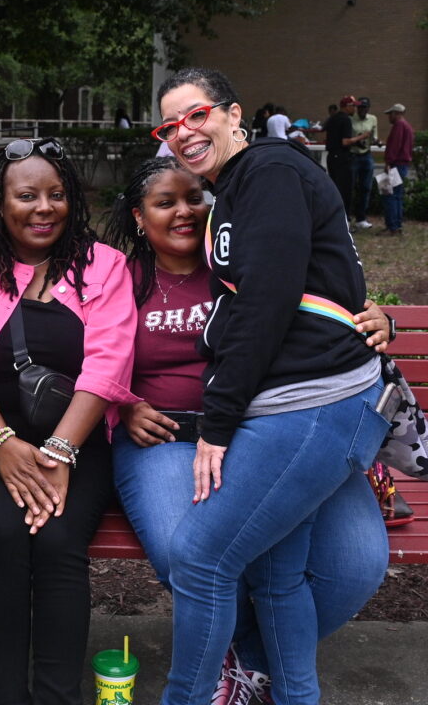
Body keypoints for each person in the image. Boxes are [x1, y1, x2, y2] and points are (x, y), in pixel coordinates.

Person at [104, 155, 393, 705]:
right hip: (169, 438)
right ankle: (228, 658)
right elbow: (87, 360)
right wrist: (125, 405)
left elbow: (336, 301)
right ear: (139, 217)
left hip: (278, 431)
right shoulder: (121, 278)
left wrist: (381, 319)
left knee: (353, 564)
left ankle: (248, 662)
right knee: (187, 552)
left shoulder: (250, 256)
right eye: (166, 203)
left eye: (197, 198)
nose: (186, 211)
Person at [0, 137, 137, 705]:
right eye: (26, 195)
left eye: (56, 195)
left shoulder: (105, 266)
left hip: (78, 439)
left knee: (59, 541)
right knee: (0, 537)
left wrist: (61, 452)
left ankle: (57, 696)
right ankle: (2, 695)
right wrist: (1, 443)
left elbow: (109, 362)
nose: (43, 207)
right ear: (0, 205)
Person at [325, 95, 369, 217]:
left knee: (335, 189)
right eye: (353, 106)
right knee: (345, 191)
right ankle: (345, 220)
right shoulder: (345, 120)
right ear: (347, 107)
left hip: (331, 157)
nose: (355, 109)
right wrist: (362, 137)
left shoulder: (332, 118)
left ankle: (332, 218)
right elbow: (345, 142)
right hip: (342, 158)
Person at [380, 102, 415, 237]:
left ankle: (392, 226)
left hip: (395, 165)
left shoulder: (398, 126)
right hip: (402, 165)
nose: (389, 117)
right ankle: (397, 225)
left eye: (390, 114)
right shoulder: (407, 126)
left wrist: (388, 162)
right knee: (398, 196)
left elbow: (395, 146)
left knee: (389, 195)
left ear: (396, 113)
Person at [350, 97, 379, 230]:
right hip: (353, 155)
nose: (362, 110)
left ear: (368, 108)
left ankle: (361, 218)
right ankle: (347, 217)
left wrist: (377, 141)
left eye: (364, 107)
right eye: (360, 107)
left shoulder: (372, 119)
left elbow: (374, 137)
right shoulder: (350, 119)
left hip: (366, 155)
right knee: (350, 187)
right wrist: (357, 140)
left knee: (365, 187)